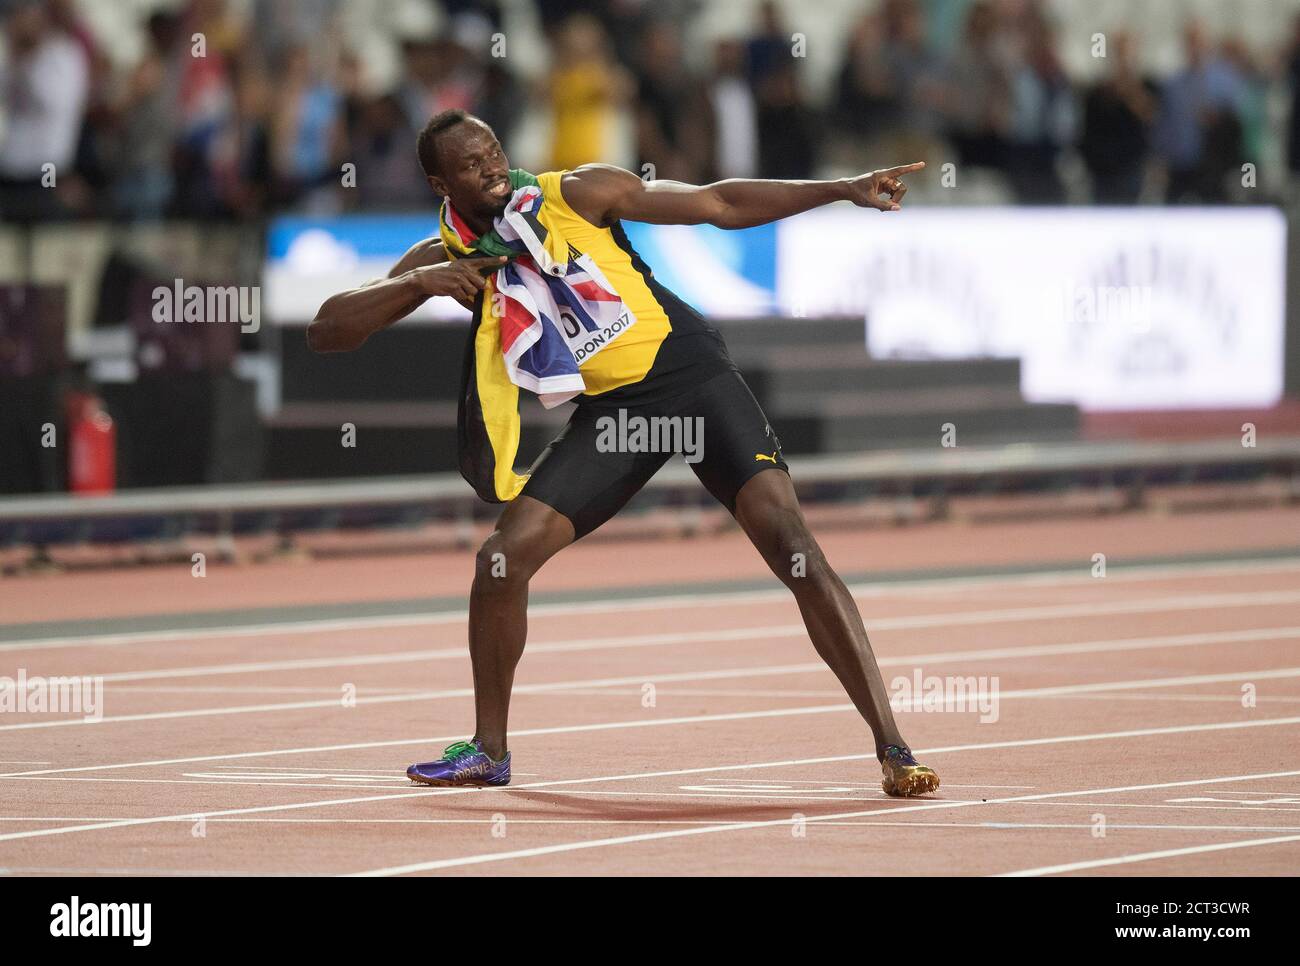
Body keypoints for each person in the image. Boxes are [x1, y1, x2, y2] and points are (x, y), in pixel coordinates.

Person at [307, 110, 939, 798]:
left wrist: (842, 188)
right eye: (469, 165)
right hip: (617, 417)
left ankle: (894, 745)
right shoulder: (448, 256)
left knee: (795, 548)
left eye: (493, 153)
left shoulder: (576, 192)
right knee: (500, 561)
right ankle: (489, 751)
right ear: (438, 181)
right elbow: (327, 331)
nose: (490, 170)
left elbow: (718, 202)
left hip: (693, 378)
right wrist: (415, 286)